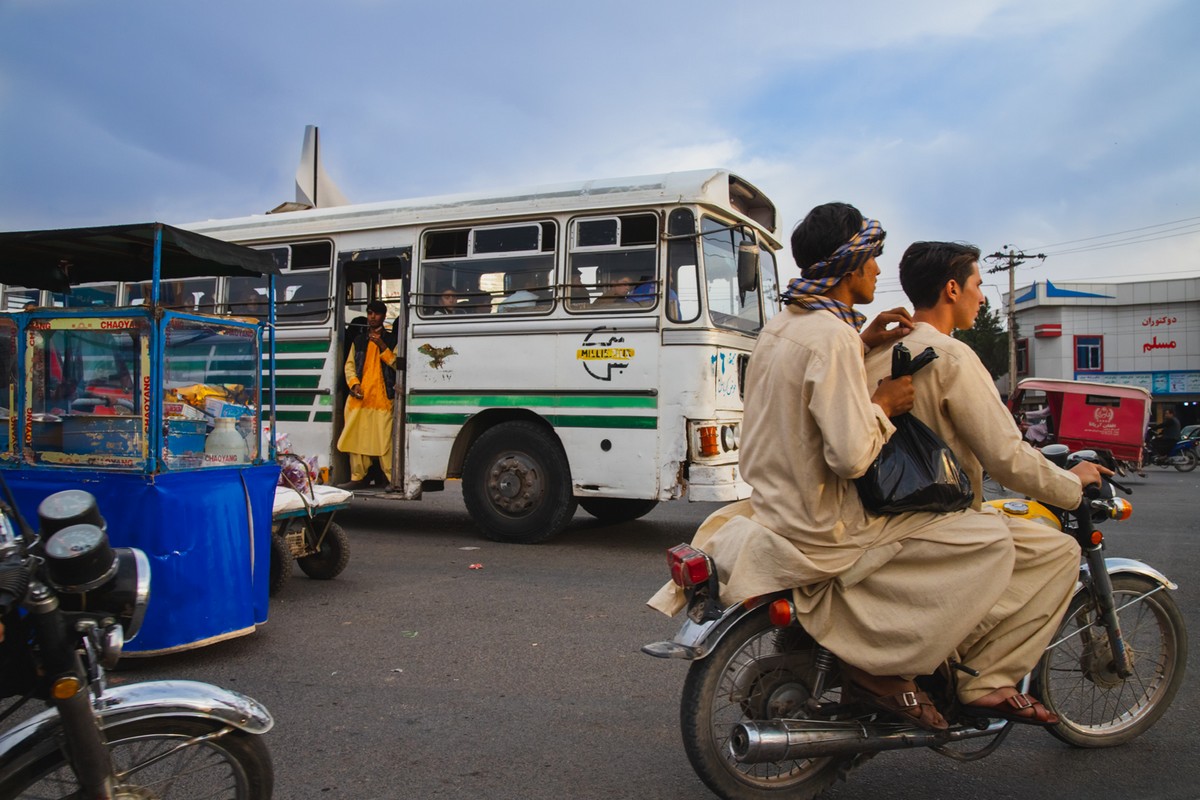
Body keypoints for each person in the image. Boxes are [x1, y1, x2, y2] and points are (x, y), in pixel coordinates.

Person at [650, 203, 1016, 731]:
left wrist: (863, 343)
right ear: (849, 265)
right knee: (989, 538)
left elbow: (804, 392)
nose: (876, 271)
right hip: (825, 523)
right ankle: (888, 665)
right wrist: (884, 405)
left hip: (774, 505)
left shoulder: (785, 325)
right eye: (871, 260)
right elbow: (850, 455)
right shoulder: (834, 337)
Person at [864, 240, 1108, 723]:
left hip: (873, 514)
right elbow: (1006, 458)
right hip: (931, 519)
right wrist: (1072, 483)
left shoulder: (876, 348)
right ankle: (986, 677)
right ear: (952, 289)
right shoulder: (951, 355)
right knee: (1058, 552)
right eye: (978, 285)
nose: (983, 297)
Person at [336, 300, 398, 489]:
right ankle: (358, 477)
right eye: (370, 313)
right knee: (357, 439)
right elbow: (349, 366)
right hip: (360, 400)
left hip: (383, 399)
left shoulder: (392, 340)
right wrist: (354, 385)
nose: (372, 317)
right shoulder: (359, 340)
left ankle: (390, 478)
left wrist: (382, 346)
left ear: (384, 316)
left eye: (376, 313)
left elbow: (396, 365)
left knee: (384, 441)